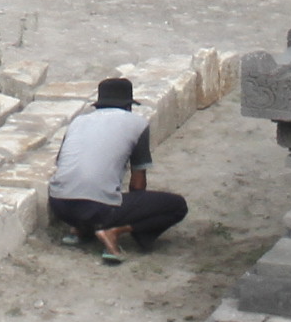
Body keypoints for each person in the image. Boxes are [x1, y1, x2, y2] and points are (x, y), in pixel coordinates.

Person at [45, 76, 188, 262]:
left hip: (60, 205)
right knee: (177, 206)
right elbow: (138, 183)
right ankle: (114, 231)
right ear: (128, 105)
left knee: (89, 191)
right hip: (97, 210)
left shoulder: (78, 121)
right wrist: (131, 212)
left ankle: (80, 229)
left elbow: (63, 162)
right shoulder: (138, 124)